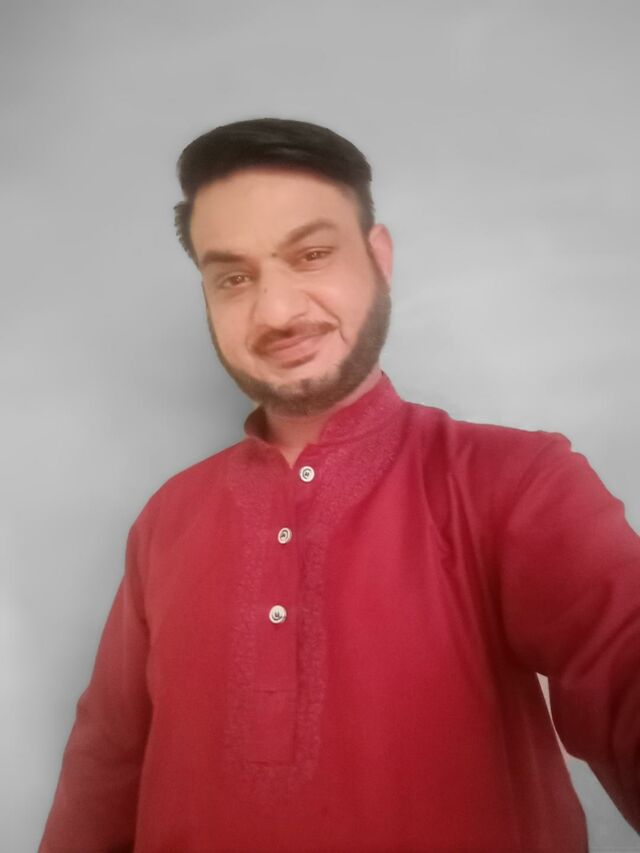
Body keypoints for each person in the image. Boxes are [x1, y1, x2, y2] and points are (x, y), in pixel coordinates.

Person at [40, 118, 640, 853]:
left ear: (379, 258)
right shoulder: (167, 518)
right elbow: (103, 768)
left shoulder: (516, 480)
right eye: (233, 277)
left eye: (312, 254)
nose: (277, 311)